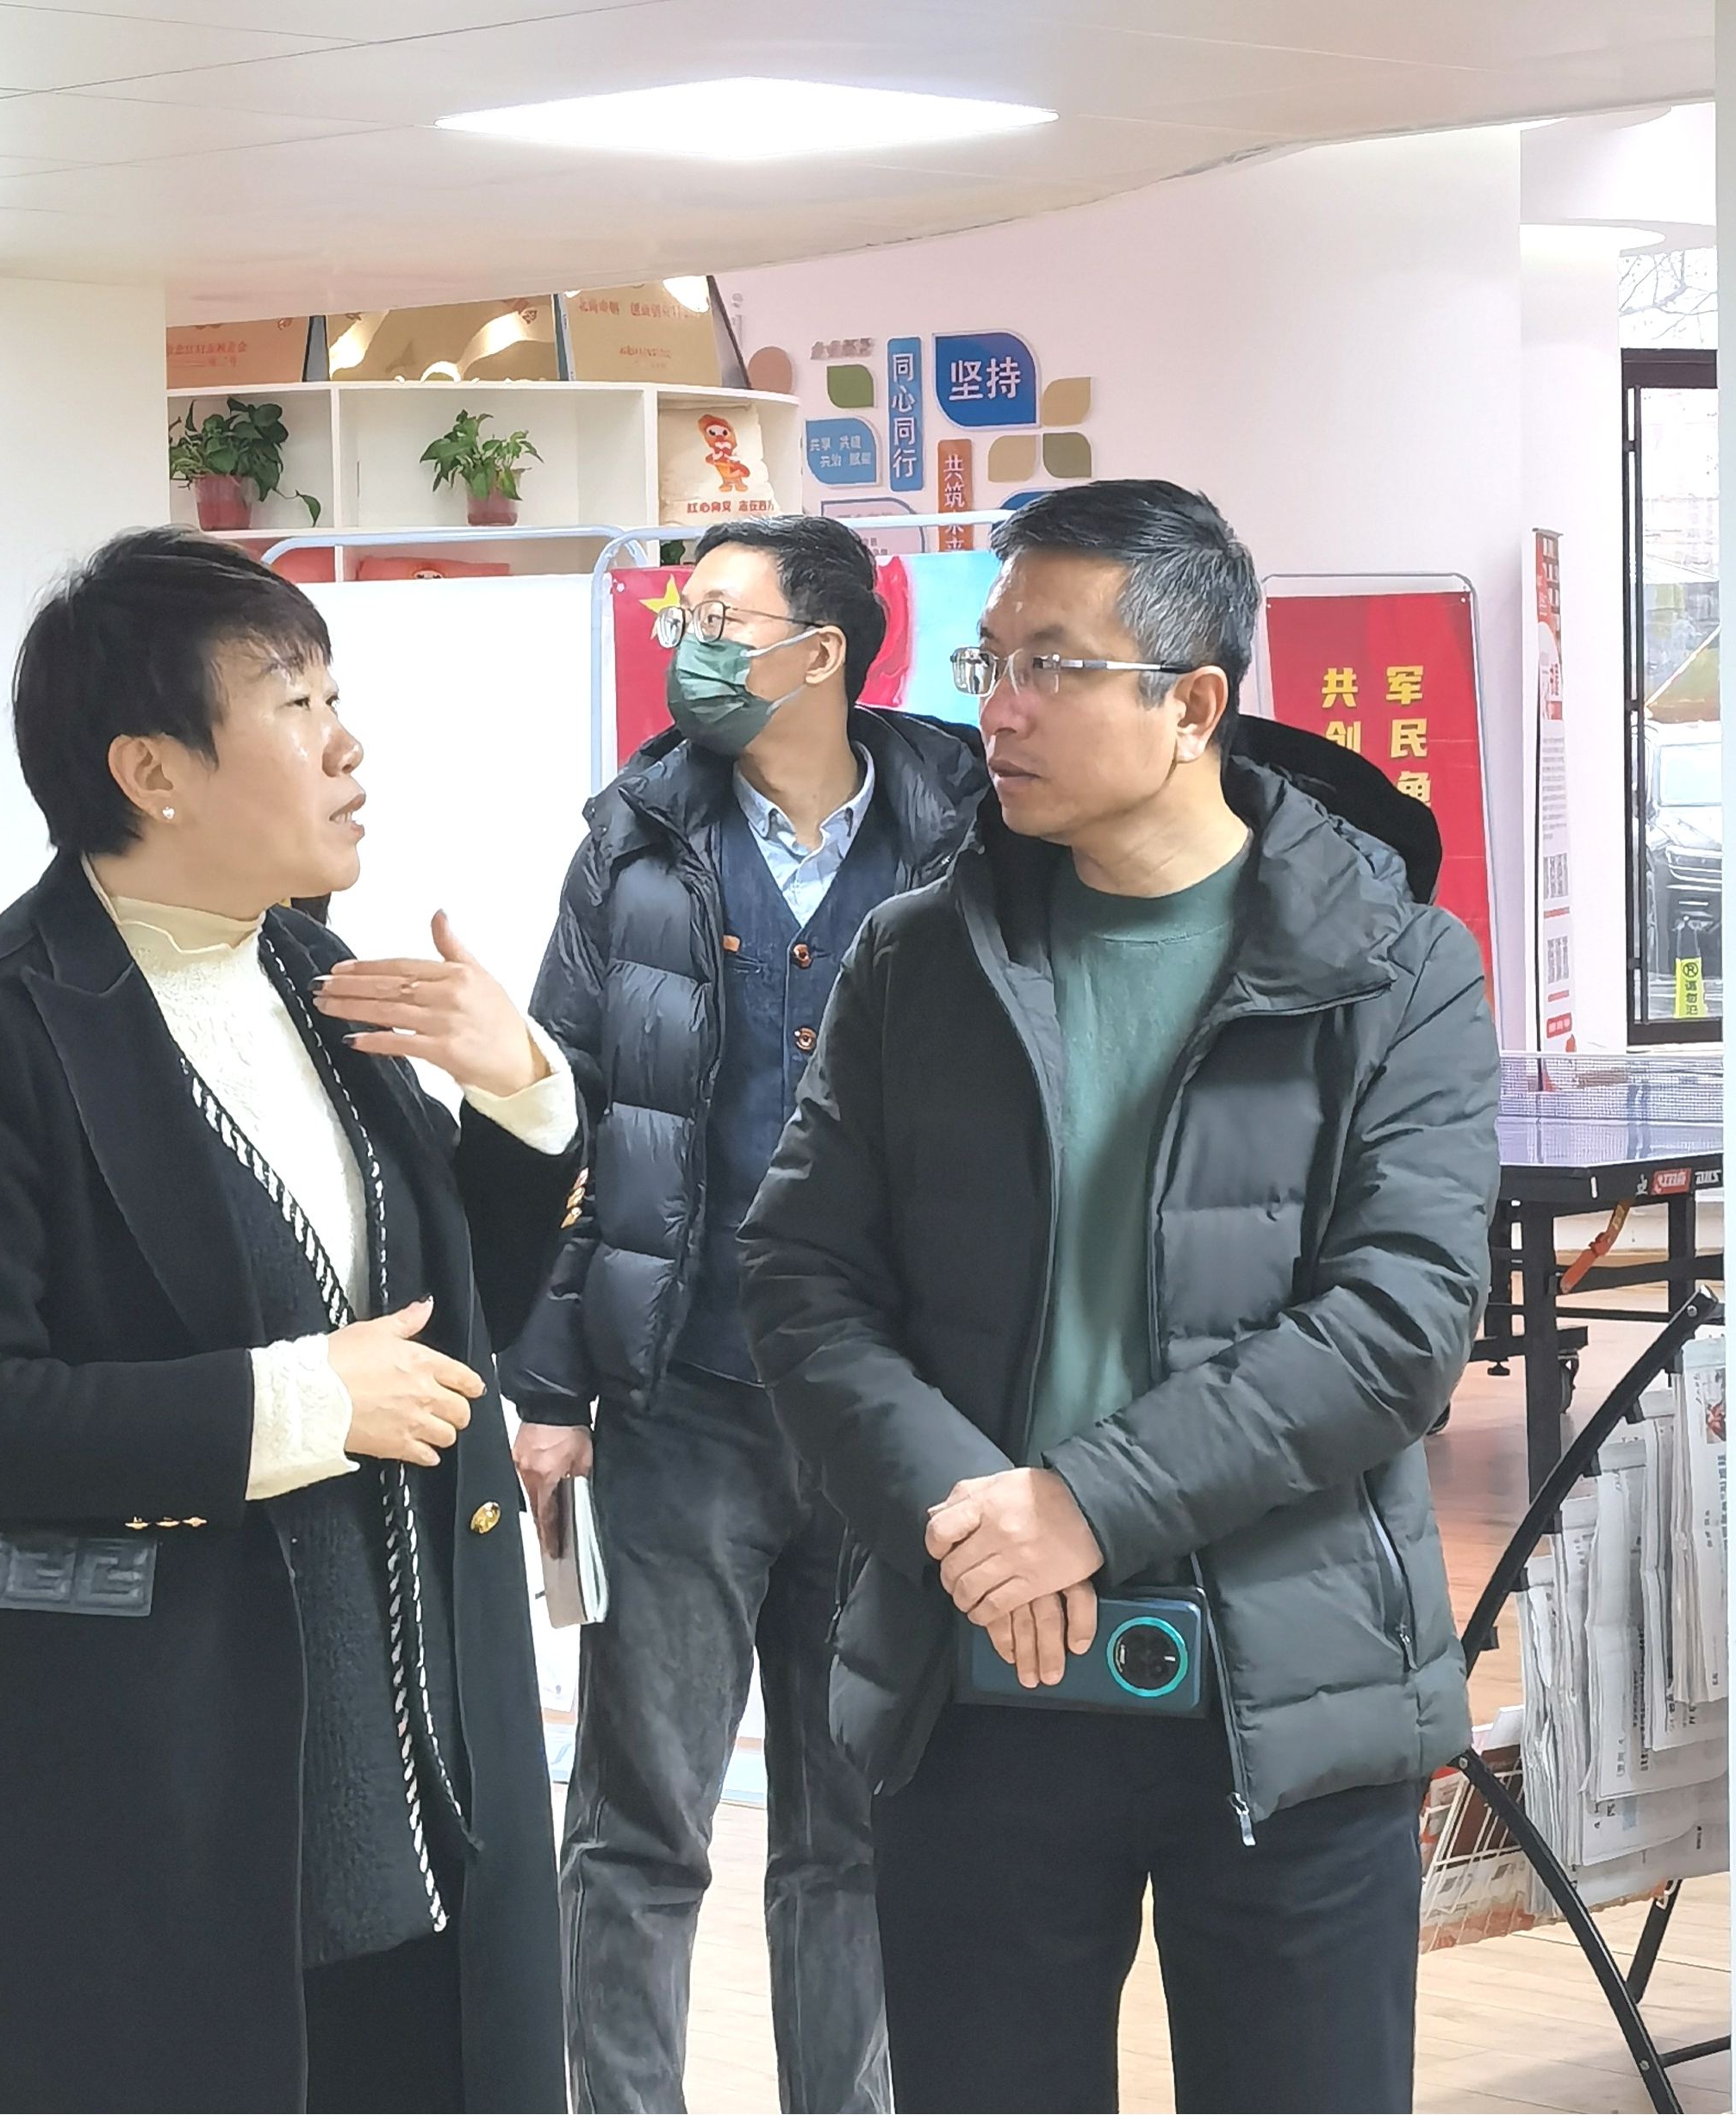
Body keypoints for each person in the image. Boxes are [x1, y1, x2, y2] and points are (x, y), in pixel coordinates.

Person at [737, 481, 1500, 2115]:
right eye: (988, 659)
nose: (996, 708)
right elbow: (801, 1277)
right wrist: (972, 1521)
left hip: (1287, 1693)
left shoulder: (1398, 969)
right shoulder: (916, 961)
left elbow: (1398, 1325)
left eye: (1050, 665)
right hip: (979, 1681)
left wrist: (1082, 1505)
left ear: (1192, 705)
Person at [0, 528, 584, 2114]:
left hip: (417, 1774)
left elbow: (444, 1346)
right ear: (152, 771)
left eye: (336, 696)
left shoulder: (317, 976)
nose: (347, 744)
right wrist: (297, 1403)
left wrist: (522, 1101)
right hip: (167, 1789)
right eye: (296, 703)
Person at [507, 514, 988, 2113]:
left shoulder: (965, 833)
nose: (687, 645)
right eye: (683, 616)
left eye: (720, 618)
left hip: (892, 1415)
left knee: (852, 1826)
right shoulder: (633, 845)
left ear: (821, 651)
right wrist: (549, 1388)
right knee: (637, 1823)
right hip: (681, 1402)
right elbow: (567, 1119)